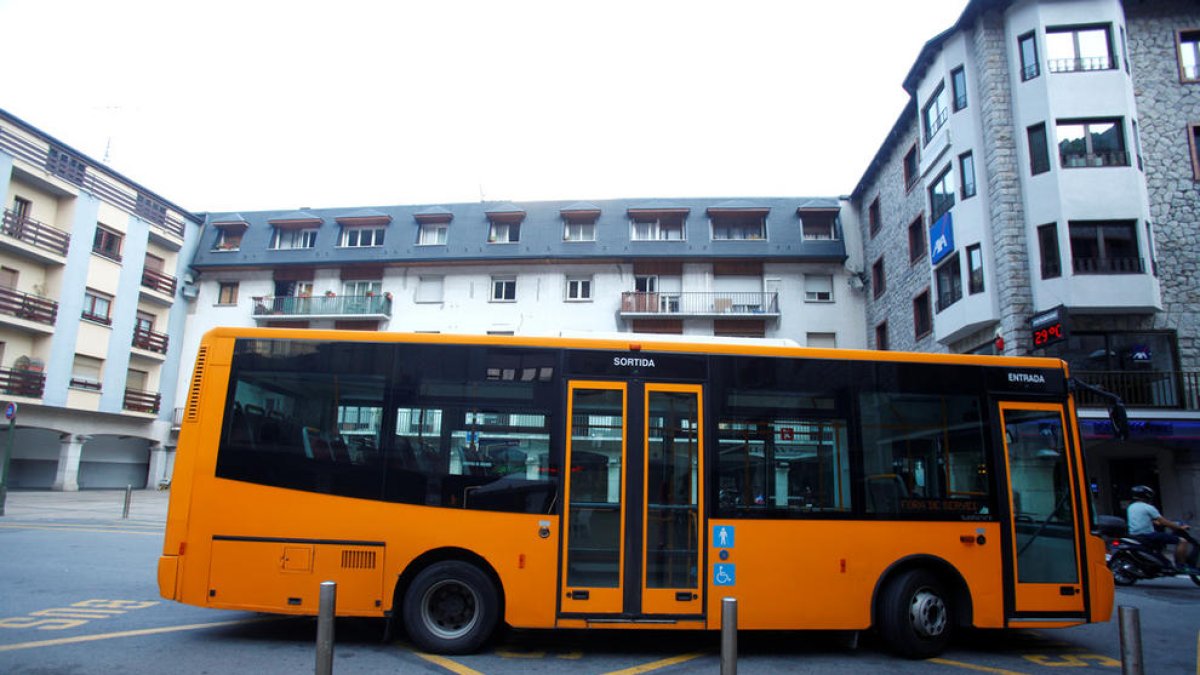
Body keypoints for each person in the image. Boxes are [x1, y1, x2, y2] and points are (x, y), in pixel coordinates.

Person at [1126, 485, 1192, 571]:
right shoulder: (1148, 507)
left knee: (1160, 540)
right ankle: (1180, 565)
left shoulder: (1131, 507)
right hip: (1148, 535)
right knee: (1182, 541)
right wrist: (1180, 527)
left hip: (1134, 535)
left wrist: (1157, 522)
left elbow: (1148, 520)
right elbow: (1163, 521)